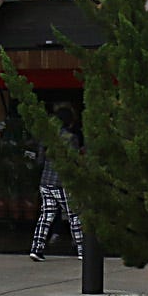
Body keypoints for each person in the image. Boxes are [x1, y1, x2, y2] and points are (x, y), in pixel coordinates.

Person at [29, 104, 86, 263]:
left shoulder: (46, 138)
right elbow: (74, 161)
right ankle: (82, 249)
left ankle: (36, 248)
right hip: (63, 181)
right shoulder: (70, 139)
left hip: (46, 181)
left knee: (46, 215)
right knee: (74, 214)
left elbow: (39, 161)